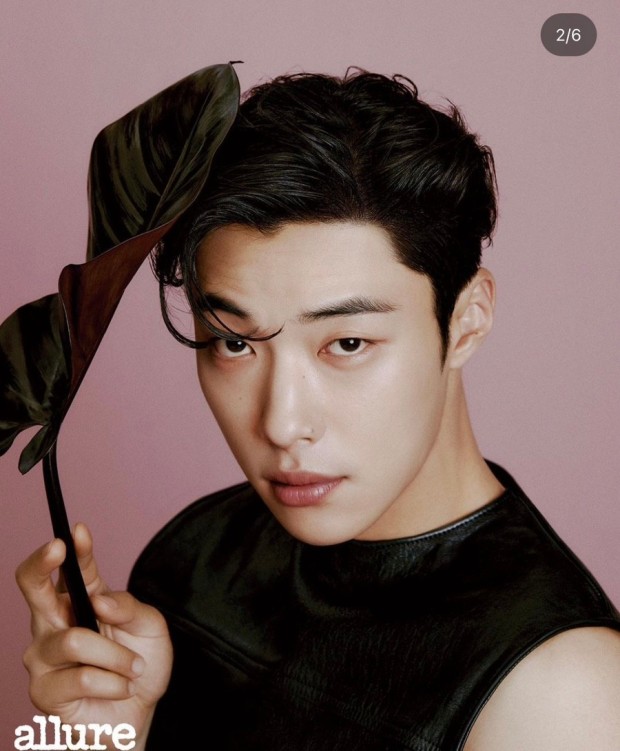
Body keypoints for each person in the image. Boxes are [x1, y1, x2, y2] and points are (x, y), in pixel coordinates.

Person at [15, 69, 620, 751]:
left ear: (467, 320)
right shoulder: (195, 559)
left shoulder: (558, 691)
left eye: (348, 343)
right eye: (235, 342)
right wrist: (101, 742)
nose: (282, 423)